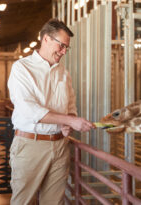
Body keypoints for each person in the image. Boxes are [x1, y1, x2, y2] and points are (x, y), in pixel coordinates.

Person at [8, 18, 95, 205]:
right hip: (30, 144)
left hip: (60, 145)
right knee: (24, 201)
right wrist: (71, 121)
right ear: (46, 39)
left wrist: (68, 122)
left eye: (66, 48)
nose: (64, 52)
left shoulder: (63, 72)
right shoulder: (22, 68)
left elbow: (70, 106)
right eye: (62, 46)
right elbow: (29, 109)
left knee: (54, 202)